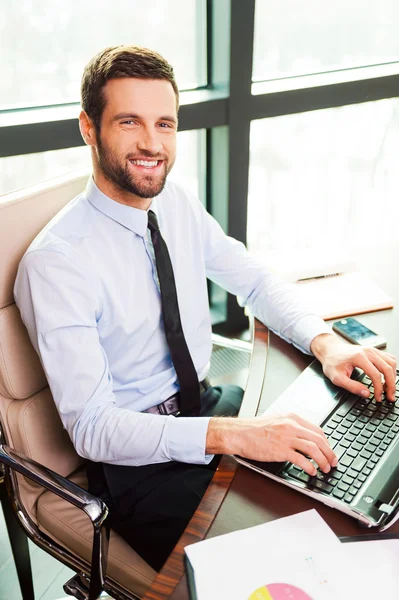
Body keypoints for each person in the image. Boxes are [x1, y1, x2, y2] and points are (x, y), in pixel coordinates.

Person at [14, 45, 397, 572]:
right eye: (129, 122)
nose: (152, 144)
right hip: (141, 466)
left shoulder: (176, 203)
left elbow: (255, 280)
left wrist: (326, 342)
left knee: (351, 497)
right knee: (287, 565)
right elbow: (95, 428)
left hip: (213, 405)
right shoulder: (57, 265)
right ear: (88, 127)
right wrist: (234, 435)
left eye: (165, 124)